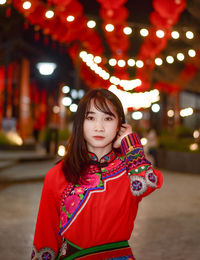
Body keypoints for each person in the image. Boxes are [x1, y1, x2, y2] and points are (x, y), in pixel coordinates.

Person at [31, 88, 163, 260]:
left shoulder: (129, 170)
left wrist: (130, 143)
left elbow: (147, 183)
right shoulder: (58, 174)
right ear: (80, 123)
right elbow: (45, 235)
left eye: (108, 118)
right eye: (90, 118)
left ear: (120, 125)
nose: (99, 127)